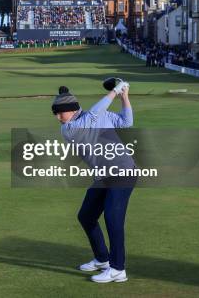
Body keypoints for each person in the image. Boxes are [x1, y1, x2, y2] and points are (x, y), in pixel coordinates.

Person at [51, 82, 135, 283]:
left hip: (122, 171)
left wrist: (123, 95)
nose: (57, 118)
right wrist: (115, 91)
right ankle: (102, 259)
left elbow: (126, 122)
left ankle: (117, 269)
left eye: (59, 113)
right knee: (86, 216)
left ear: (71, 110)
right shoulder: (69, 129)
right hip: (103, 176)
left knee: (113, 218)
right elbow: (93, 116)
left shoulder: (96, 116)